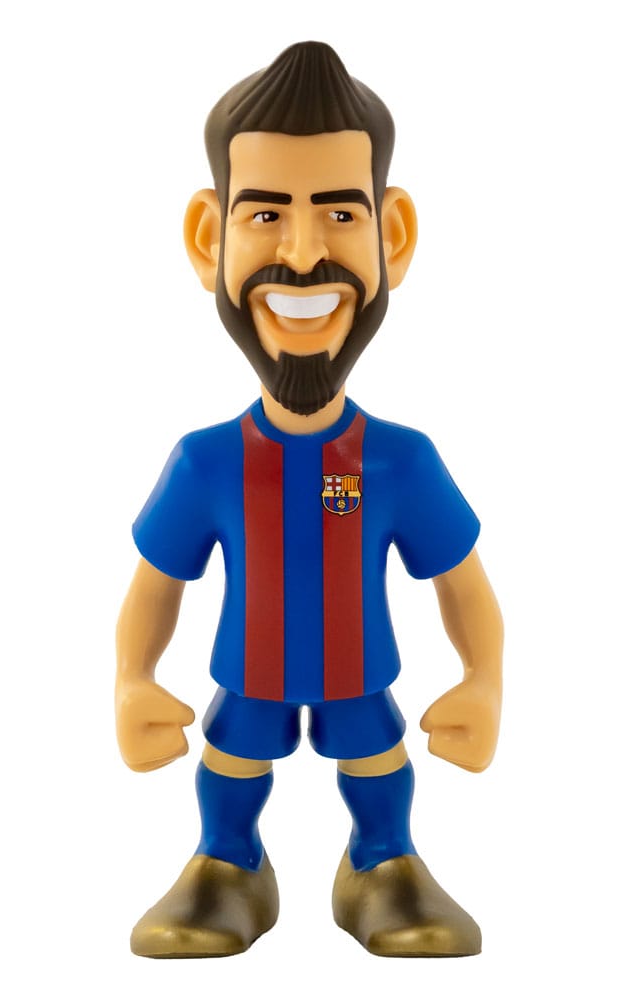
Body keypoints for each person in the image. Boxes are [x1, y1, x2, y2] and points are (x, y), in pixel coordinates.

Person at [116, 41, 503, 958]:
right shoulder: (205, 463)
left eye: (338, 212)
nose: (300, 254)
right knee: (231, 761)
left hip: (358, 671)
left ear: (391, 237)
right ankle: (227, 862)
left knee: (376, 760)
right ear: (209, 239)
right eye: (265, 213)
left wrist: (484, 680)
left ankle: (382, 861)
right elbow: (155, 586)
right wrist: (133, 678)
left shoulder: (401, 462)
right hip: (246, 673)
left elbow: (463, 584)